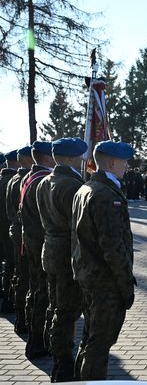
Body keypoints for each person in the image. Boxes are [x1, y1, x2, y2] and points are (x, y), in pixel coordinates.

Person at [71, 141, 136, 380]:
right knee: (99, 346)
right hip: (105, 282)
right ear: (111, 162)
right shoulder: (106, 195)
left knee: (90, 339)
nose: (127, 166)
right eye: (124, 161)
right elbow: (113, 248)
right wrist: (126, 284)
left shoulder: (86, 188)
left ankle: (79, 380)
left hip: (88, 277)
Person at [36, 138, 88, 381]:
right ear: (67, 158)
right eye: (78, 156)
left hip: (51, 249)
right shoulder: (71, 185)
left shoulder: (44, 182)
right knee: (66, 313)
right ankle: (63, 364)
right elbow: (79, 226)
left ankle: (55, 355)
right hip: (67, 253)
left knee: (55, 306)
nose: (81, 160)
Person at [20, 141, 55, 359]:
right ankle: (37, 342)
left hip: (31, 242)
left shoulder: (28, 177)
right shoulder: (42, 180)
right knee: (42, 294)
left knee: (37, 291)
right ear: (47, 157)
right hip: (39, 243)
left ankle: (35, 338)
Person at [6, 146, 34, 334]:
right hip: (23, 232)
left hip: (15, 229)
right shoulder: (24, 180)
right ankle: (23, 320)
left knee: (19, 273)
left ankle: (19, 316)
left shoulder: (13, 179)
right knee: (25, 277)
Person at [0, 150, 19, 313]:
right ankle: (7, 298)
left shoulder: (4, 179)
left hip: (5, 227)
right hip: (8, 228)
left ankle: (5, 295)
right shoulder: (12, 180)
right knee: (12, 265)